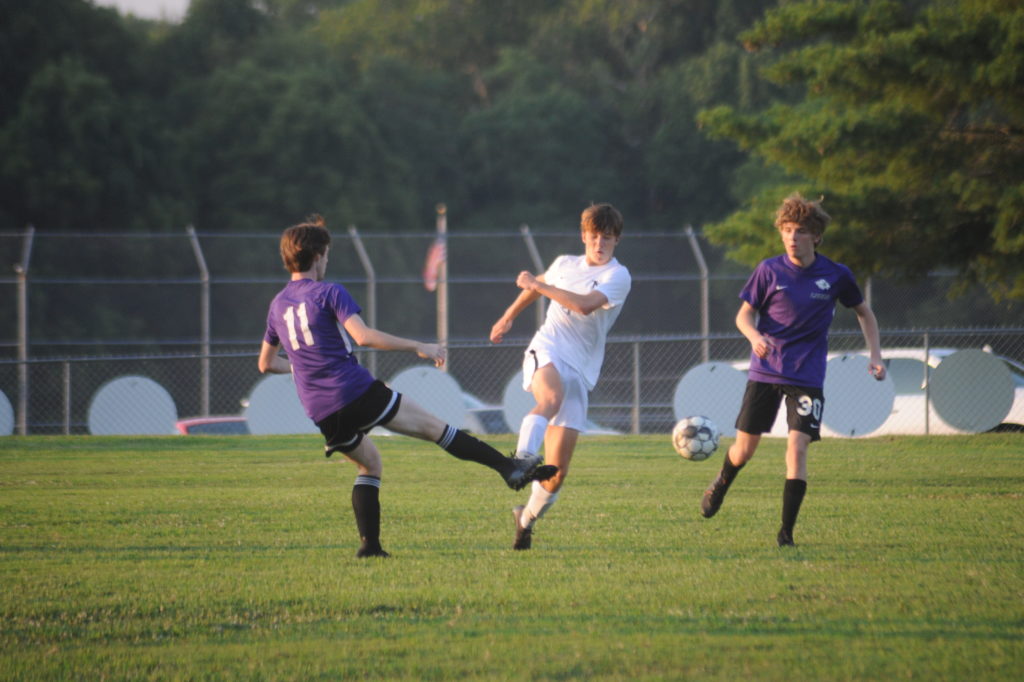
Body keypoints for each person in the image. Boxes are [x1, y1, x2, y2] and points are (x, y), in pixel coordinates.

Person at [258, 215, 557, 558]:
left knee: (370, 464)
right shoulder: (328, 292)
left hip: (320, 409)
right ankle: (508, 468)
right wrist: (418, 346)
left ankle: (370, 547)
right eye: (326, 255)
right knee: (435, 428)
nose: (327, 261)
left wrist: (306, 367)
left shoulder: (277, 305)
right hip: (354, 391)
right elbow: (363, 336)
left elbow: (266, 363)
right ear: (316, 255)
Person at [700, 193, 885, 546]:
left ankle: (786, 534)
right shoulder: (769, 270)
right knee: (744, 450)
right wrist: (755, 336)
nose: (791, 237)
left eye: (799, 230)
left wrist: (875, 355)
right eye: (786, 230)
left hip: (807, 377)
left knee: (797, 449)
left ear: (816, 235)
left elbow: (865, 313)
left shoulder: (836, 274)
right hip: (765, 372)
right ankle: (721, 483)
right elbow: (743, 315)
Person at [490, 203, 631, 550]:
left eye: (607, 238)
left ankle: (525, 520)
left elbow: (584, 304)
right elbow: (535, 288)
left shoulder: (618, 276)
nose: (599, 243)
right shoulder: (565, 264)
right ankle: (522, 458)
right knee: (550, 398)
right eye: (594, 236)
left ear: (616, 240)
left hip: (580, 369)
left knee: (556, 472)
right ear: (584, 236)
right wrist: (508, 316)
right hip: (548, 348)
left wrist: (538, 284)